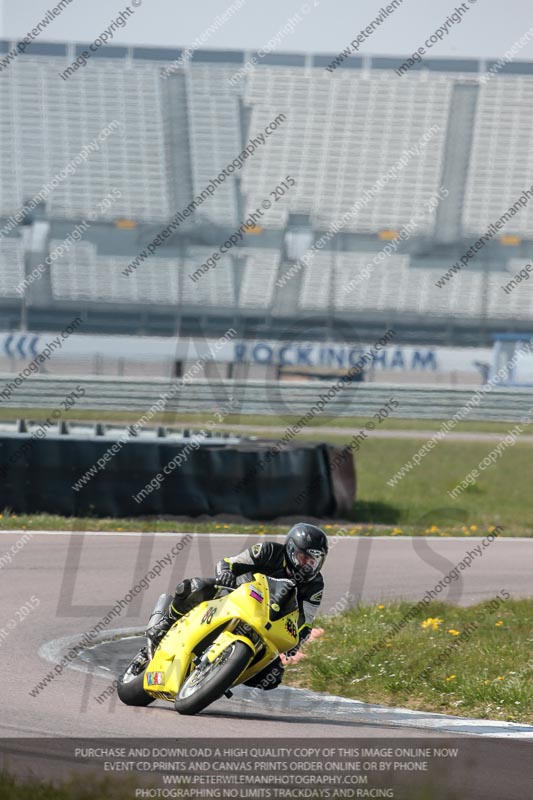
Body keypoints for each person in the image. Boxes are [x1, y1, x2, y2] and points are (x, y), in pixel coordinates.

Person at [147, 523, 328, 691]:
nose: (308, 565)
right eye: (304, 558)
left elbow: (306, 620)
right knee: (194, 587)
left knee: (273, 676)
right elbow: (229, 562)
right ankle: (165, 622)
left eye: (314, 561)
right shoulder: (269, 551)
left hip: (267, 622)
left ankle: (222, 677)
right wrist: (226, 573)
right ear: (291, 550)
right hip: (234, 595)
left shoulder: (315, 584)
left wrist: (296, 641)